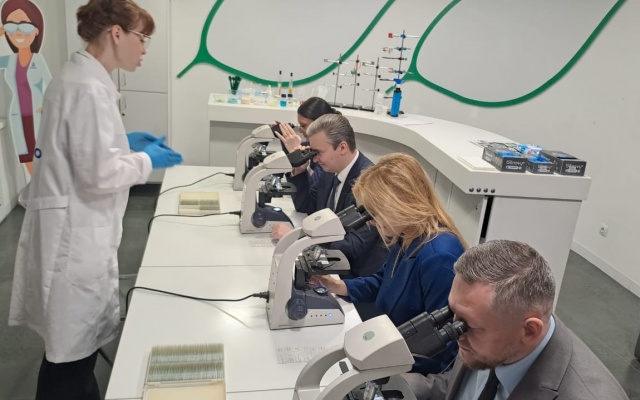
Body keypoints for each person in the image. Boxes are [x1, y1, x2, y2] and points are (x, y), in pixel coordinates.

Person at [7, 1, 182, 399]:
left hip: (73, 227)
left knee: (70, 357)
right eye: (143, 38)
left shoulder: (80, 76)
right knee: (69, 360)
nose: (144, 48)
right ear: (116, 33)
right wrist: (146, 160)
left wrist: (123, 141)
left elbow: (77, 148)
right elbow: (99, 173)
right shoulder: (87, 87)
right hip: (75, 238)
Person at [403, 240, 629, 400]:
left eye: (467, 325)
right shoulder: (491, 335)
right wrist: (393, 382)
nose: (456, 334)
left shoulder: (587, 394)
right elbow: (458, 389)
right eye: (453, 314)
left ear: (529, 330)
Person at [312, 153, 467, 375]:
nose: (373, 221)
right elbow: (383, 280)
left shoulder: (439, 256)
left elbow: (444, 346)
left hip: (416, 372)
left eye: (376, 212)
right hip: (393, 352)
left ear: (399, 204)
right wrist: (338, 286)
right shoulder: (408, 236)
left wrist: (379, 367)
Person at [272, 113, 388, 279]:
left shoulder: (370, 184)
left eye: (318, 153)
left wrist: (298, 238)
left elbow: (354, 245)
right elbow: (307, 206)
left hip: (354, 277)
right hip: (330, 263)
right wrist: (300, 169)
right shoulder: (331, 170)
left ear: (342, 147)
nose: (315, 160)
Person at [0, 0, 52, 177]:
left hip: (37, 114)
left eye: (25, 26)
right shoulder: (10, 61)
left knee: (41, 154)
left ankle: (42, 187)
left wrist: (45, 106)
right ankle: (34, 187)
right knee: (25, 156)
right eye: (11, 27)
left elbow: (51, 85)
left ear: (36, 30)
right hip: (18, 115)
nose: (18, 32)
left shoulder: (38, 60)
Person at [273, 96, 340, 186]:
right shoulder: (310, 146)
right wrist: (285, 140)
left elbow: (313, 193)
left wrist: (297, 156)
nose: (300, 130)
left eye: (303, 125)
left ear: (320, 124)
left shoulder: (330, 157)